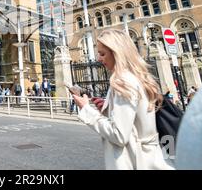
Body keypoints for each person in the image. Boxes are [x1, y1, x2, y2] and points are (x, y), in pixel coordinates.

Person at [72, 29, 173, 170]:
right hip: (151, 158)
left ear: (117, 53)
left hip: (136, 162)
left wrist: (86, 109)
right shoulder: (135, 77)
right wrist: (108, 109)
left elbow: (119, 135)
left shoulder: (123, 81)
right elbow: (133, 124)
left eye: (102, 54)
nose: (99, 59)